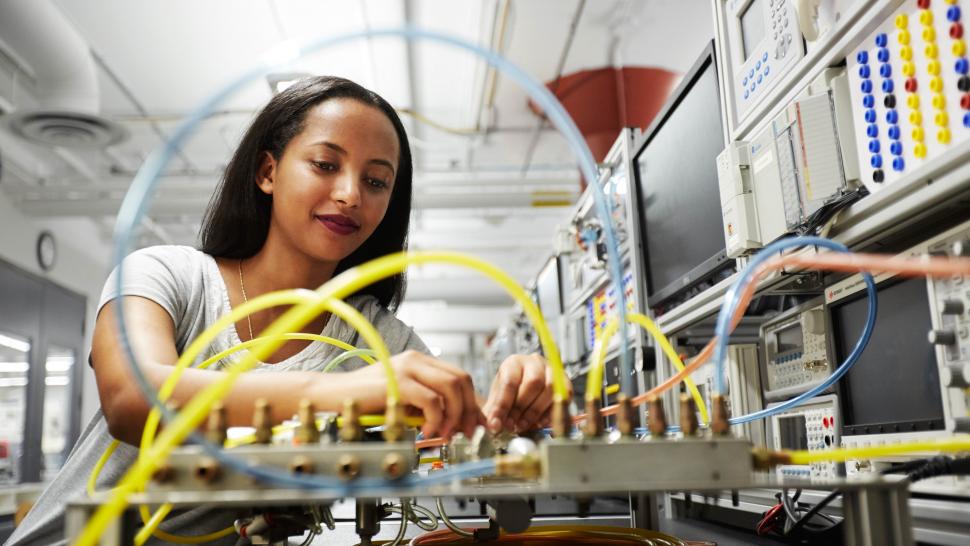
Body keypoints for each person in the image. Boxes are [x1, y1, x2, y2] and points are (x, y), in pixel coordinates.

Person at [7, 76, 565, 545]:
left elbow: (472, 427)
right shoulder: (165, 276)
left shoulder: (375, 339)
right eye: (325, 164)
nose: (351, 194)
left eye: (376, 181)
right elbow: (134, 401)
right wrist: (346, 391)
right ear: (267, 172)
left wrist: (520, 403)